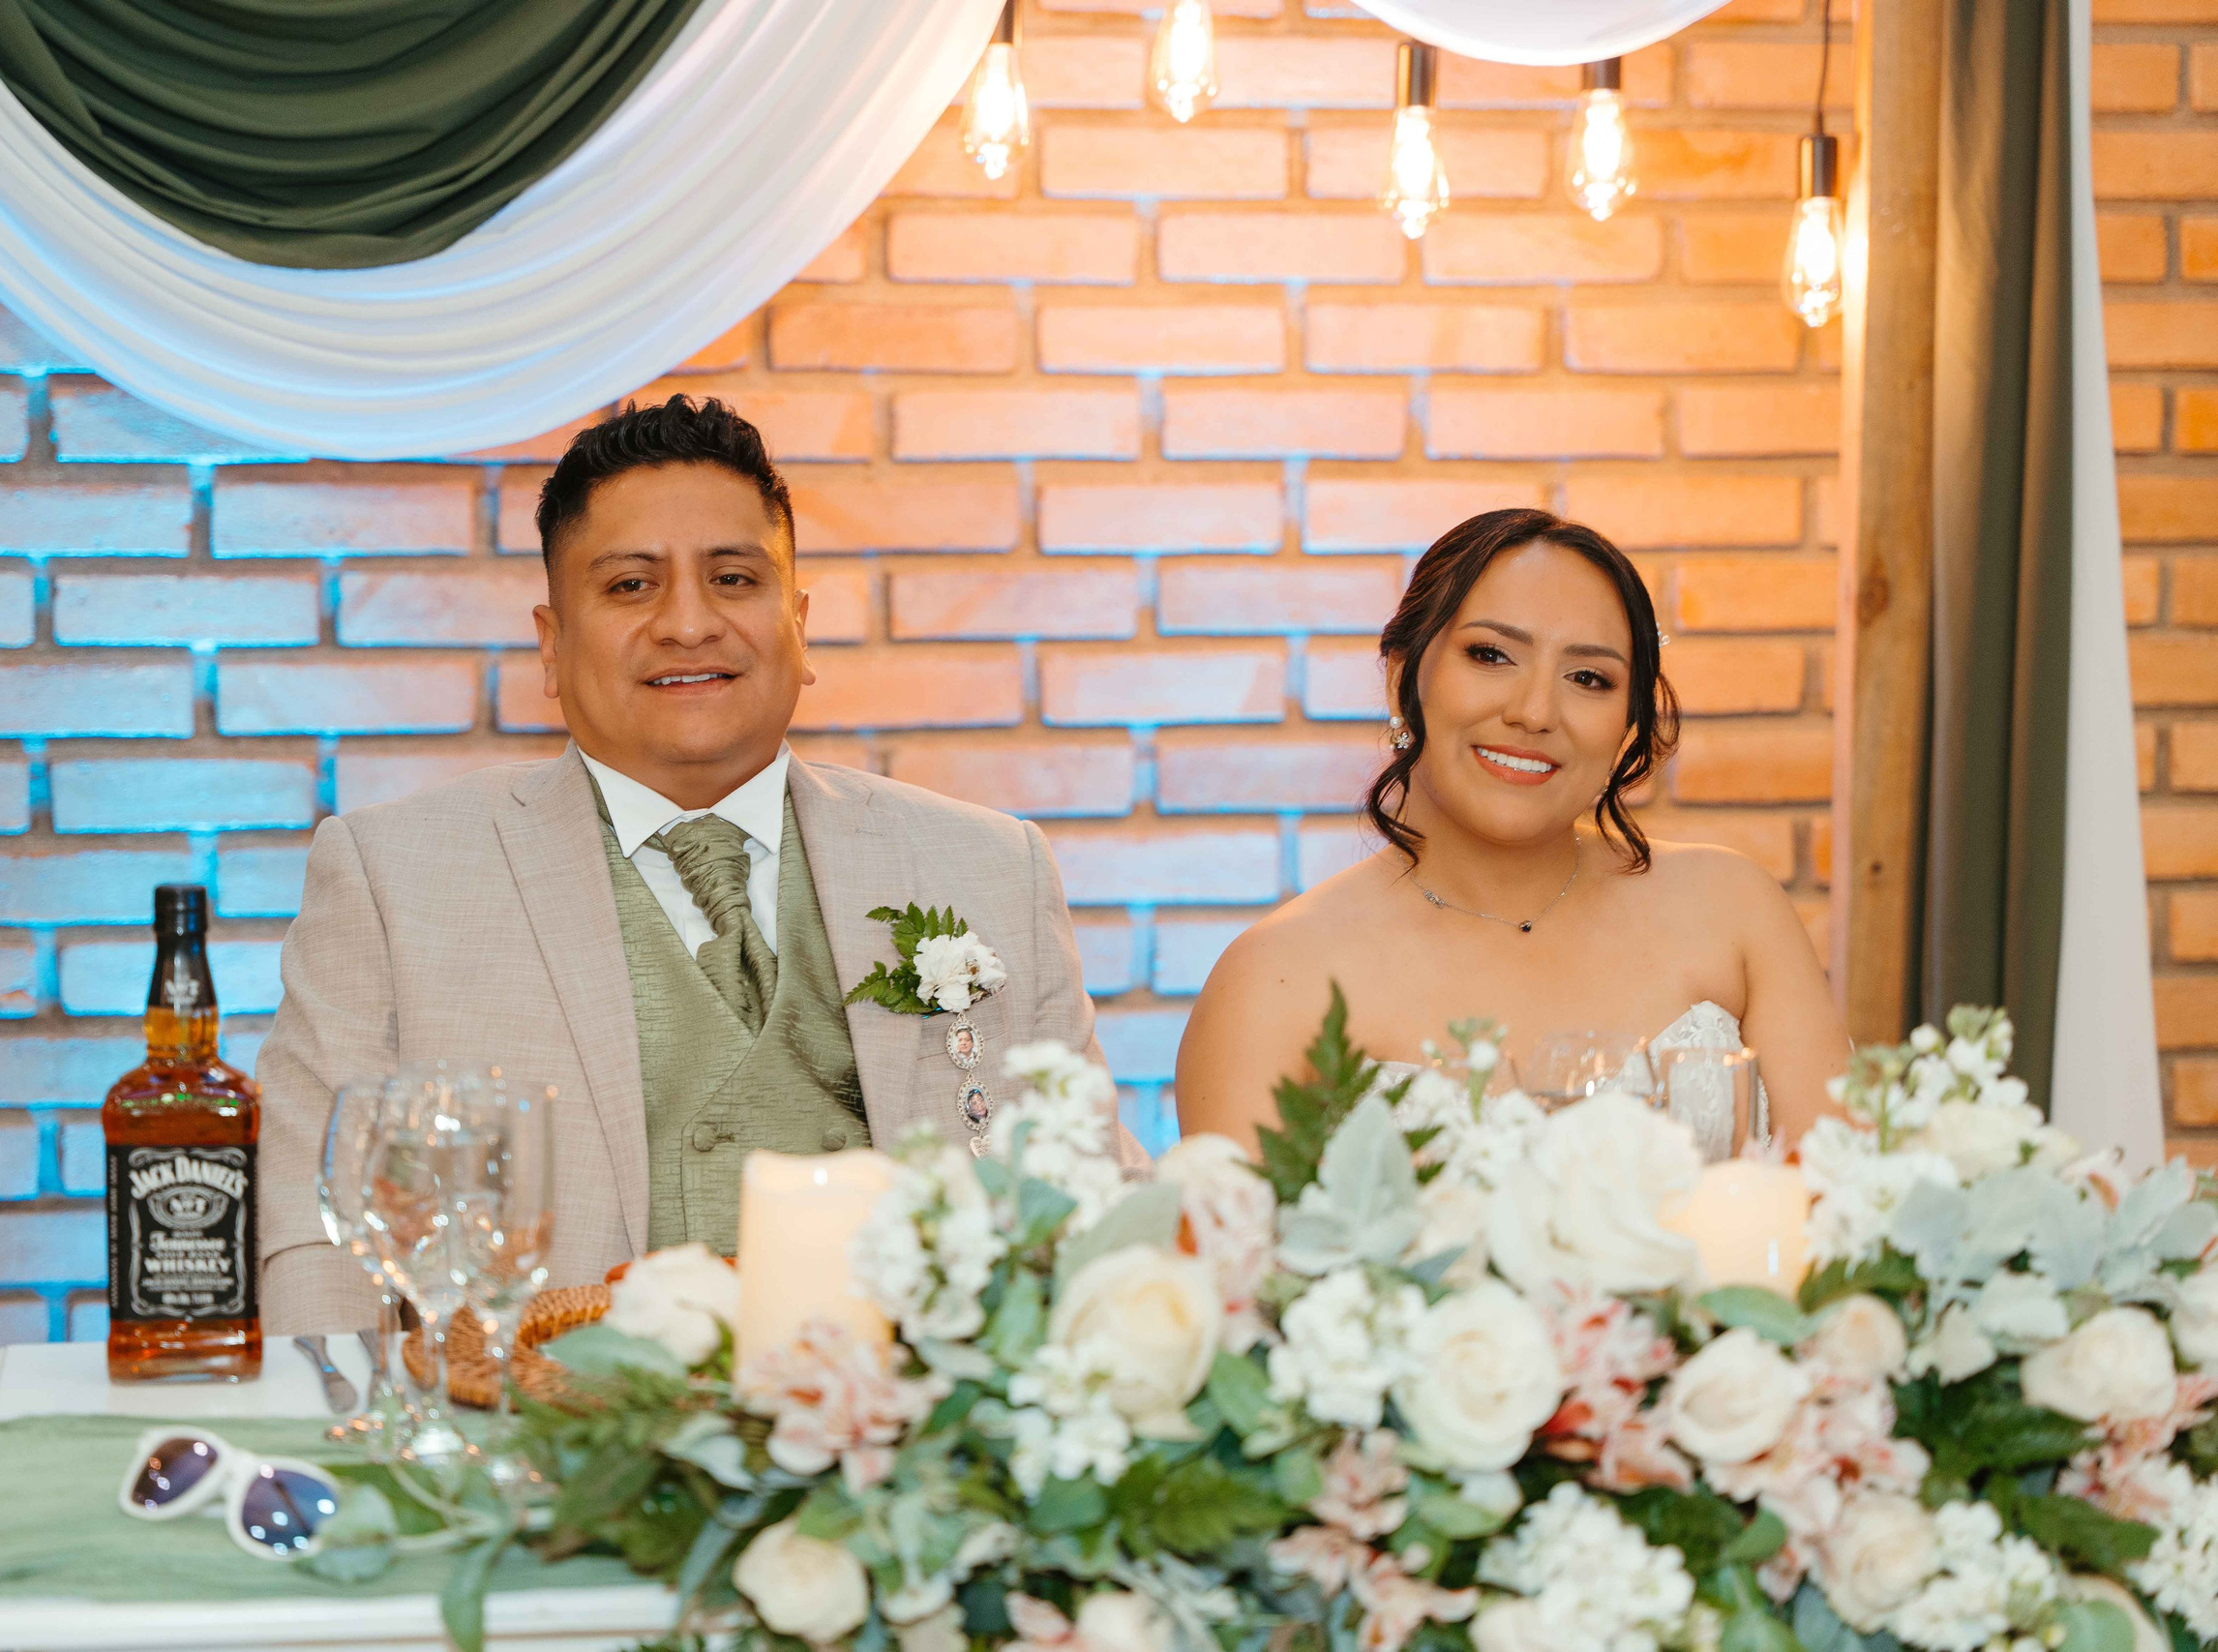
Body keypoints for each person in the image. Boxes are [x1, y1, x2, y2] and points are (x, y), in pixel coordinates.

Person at [256, 396, 1131, 1335]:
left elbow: (1092, 1201)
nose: (688, 623)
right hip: (533, 1448)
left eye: (733, 578)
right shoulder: (394, 878)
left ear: (797, 626)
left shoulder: (989, 866)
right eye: (630, 586)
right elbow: (323, 1237)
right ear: (552, 646)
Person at [1175, 507, 1848, 1150]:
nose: (1534, 711)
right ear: (1406, 678)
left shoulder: (1734, 911)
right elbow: (1238, 1261)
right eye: (1492, 655)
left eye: (1589, 676)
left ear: (1628, 726)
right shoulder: (1276, 980)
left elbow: (1842, 1221)